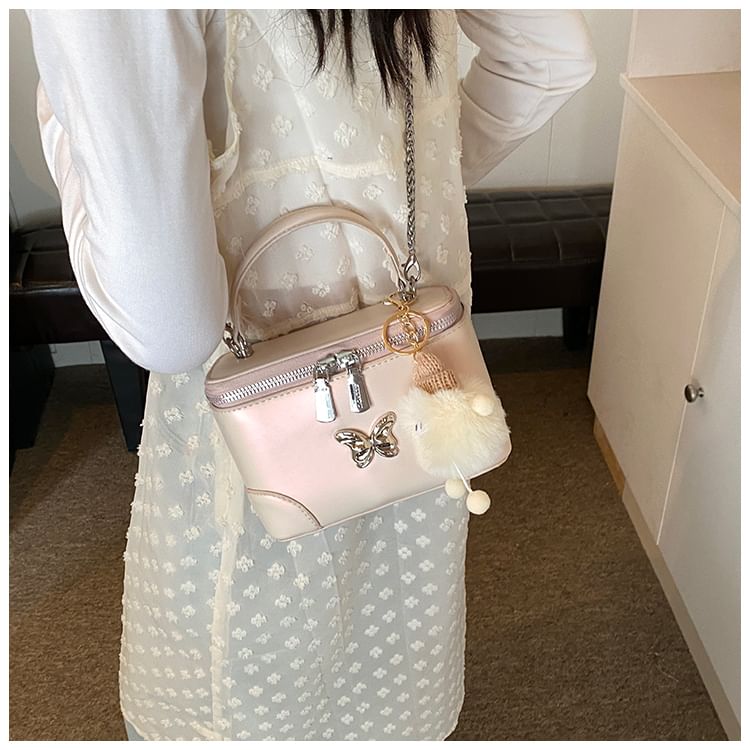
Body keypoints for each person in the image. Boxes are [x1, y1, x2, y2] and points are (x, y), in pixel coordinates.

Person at [27, 10, 596, 741]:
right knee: (394, 609)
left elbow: (166, 325)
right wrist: (404, 186)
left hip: (261, 403)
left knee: (246, 641)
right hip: (405, 364)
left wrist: (63, 118)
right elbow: (553, 56)